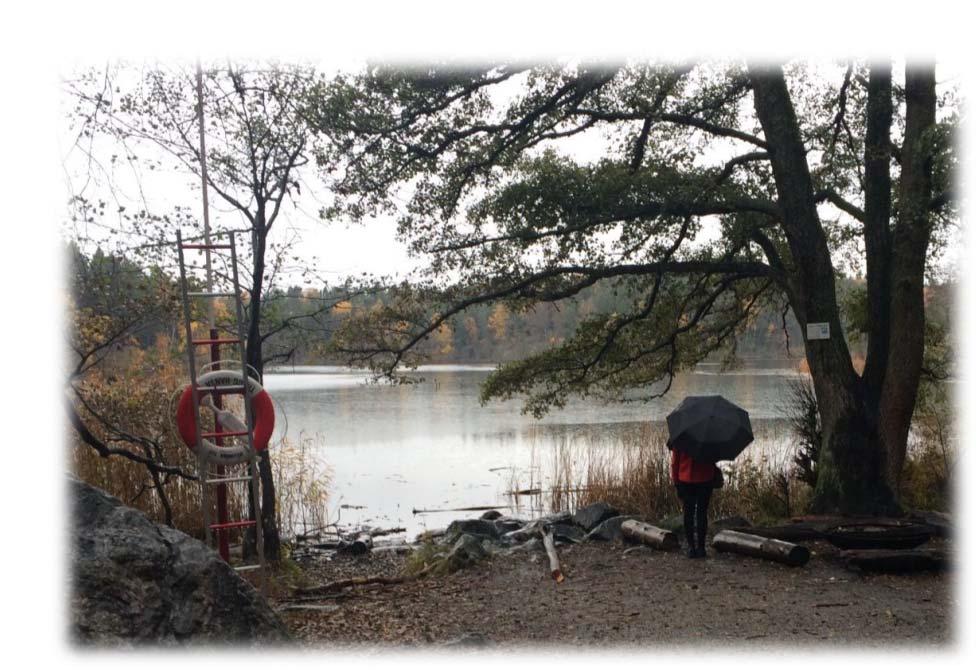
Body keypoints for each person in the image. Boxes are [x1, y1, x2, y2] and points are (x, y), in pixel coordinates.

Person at [669, 448, 717, 558]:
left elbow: (675, 462)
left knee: (688, 513)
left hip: (686, 479)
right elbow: (714, 457)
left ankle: (691, 547)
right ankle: (701, 548)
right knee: (702, 513)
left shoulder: (681, 436)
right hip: (705, 477)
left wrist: (676, 482)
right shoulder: (708, 435)